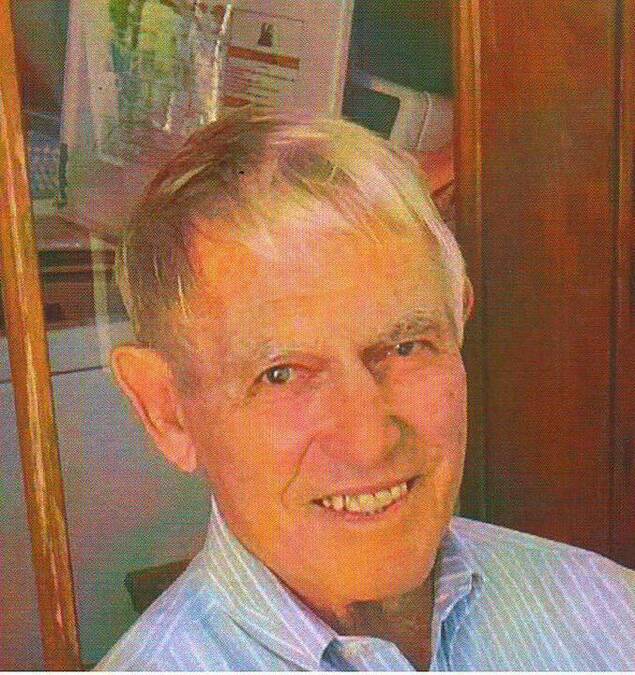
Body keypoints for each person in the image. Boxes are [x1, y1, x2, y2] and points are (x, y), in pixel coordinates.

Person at [96, 109, 635, 671]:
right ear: (167, 412)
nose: (369, 441)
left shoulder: (611, 613)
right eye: (281, 374)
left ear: (459, 325)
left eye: (406, 347)